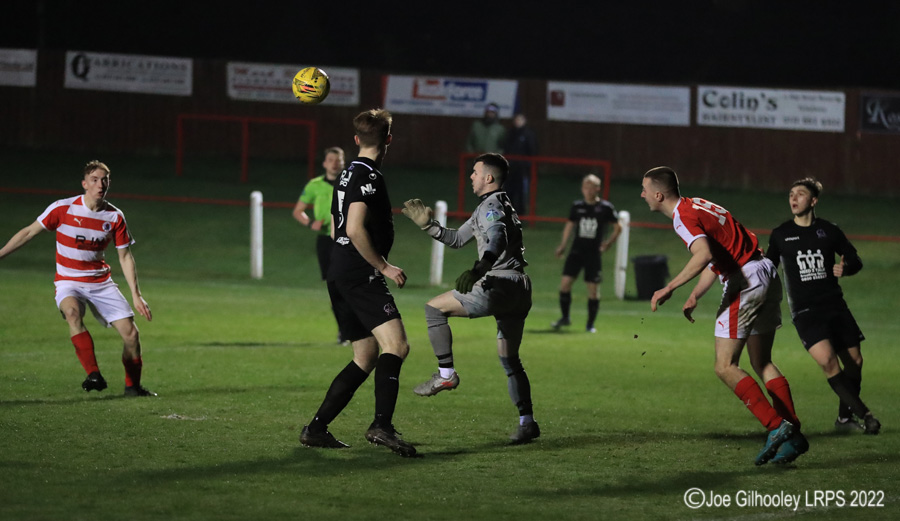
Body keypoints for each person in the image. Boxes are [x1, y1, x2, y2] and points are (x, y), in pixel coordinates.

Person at [641, 166, 804, 465]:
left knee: (724, 365)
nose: (642, 194)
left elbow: (702, 254)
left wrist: (670, 287)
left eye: (644, 189)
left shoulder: (682, 216)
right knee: (762, 361)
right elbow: (717, 254)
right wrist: (695, 295)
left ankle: (777, 426)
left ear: (659, 194)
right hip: (765, 269)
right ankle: (793, 434)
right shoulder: (698, 204)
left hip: (745, 280)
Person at [298, 109, 416, 457]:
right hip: (360, 273)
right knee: (397, 346)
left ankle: (316, 429)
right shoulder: (370, 177)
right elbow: (353, 228)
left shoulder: (347, 173)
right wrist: (383, 266)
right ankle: (382, 425)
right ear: (389, 139)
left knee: (365, 355)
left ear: (355, 140)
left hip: (339, 271)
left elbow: (338, 228)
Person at [401, 153, 539, 444]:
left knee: (433, 309)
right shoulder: (497, 205)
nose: (471, 177)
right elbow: (456, 239)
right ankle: (527, 422)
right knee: (510, 360)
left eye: (475, 173)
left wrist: (478, 270)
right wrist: (429, 226)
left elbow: (497, 237)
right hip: (521, 288)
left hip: (499, 284)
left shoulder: (491, 207)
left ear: (488, 177)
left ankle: (446, 374)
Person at [0, 160, 155, 397]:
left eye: (105, 180)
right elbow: (29, 231)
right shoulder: (62, 209)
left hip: (101, 283)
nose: (100, 185)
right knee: (72, 313)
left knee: (131, 335)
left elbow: (125, 257)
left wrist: (137, 295)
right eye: (94, 180)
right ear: (84, 184)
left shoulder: (115, 217)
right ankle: (93, 374)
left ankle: (133, 387)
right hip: (68, 281)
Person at [765, 177, 880, 434]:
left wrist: (847, 268)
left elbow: (854, 259)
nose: (793, 198)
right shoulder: (781, 234)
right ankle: (866, 415)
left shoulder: (829, 231)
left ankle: (843, 420)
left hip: (835, 306)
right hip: (805, 312)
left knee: (855, 362)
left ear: (813, 201)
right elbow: (767, 268)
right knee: (828, 361)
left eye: (800, 194)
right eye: (791, 194)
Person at [552, 174, 622, 333]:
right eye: (586, 187)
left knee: (593, 290)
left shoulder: (605, 208)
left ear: (598, 189)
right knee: (565, 284)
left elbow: (618, 227)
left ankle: (590, 324)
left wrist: (609, 243)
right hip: (576, 251)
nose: (589, 191)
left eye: (592, 187)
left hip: (593, 254)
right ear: (582, 189)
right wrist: (563, 245)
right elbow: (570, 225)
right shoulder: (577, 206)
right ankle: (565, 317)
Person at [293, 146, 347, 344]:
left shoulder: (350, 183)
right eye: (331, 159)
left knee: (347, 286)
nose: (335, 163)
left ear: (343, 162)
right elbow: (298, 211)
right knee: (334, 289)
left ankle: (354, 329)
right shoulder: (314, 185)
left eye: (338, 159)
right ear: (324, 163)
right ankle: (345, 331)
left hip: (347, 239)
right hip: (325, 240)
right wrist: (309, 222)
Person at [503, 113, 538, 213]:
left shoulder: (528, 134)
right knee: (509, 191)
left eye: (520, 120)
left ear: (524, 121)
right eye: (516, 119)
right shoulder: (510, 133)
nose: (518, 122)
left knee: (522, 193)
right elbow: (506, 148)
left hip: (522, 169)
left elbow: (532, 150)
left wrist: (528, 164)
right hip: (510, 168)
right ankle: (509, 213)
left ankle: (521, 214)